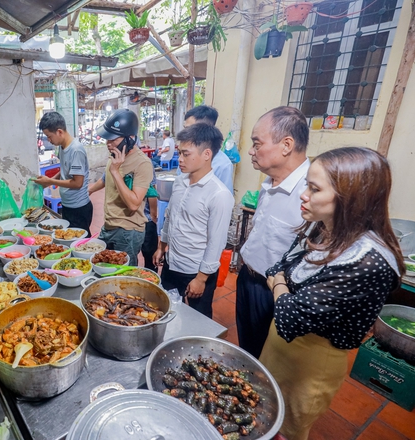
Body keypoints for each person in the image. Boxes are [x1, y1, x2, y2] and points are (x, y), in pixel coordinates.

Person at [260, 147, 403, 440]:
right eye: (306, 186)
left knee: (287, 428)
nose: (304, 195)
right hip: (280, 349)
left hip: (312, 363)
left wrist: (279, 285)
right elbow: (276, 268)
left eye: (314, 188)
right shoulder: (324, 229)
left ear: (351, 198)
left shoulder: (368, 261)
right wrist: (281, 286)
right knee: (262, 413)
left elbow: (288, 316)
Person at [236, 106, 310, 358]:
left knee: (269, 359)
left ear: (286, 145)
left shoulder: (310, 192)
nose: (251, 151)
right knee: (247, 348)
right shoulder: (270, 181)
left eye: (257, 143)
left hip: (276, 293)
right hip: (248, 278)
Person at [153, 123, 234, 318]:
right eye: (179, 153)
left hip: (195, 271)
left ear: (207, 154)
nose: (179, 159)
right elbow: (170, 217)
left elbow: (216, 242)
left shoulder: (219, 194)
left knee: (198, 319)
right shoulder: (181, 181)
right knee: (165, 311)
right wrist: (162, 246)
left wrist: (201, 278)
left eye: (186, 154)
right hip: (172, 263)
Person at [88, 109, 154, 266]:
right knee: (101, 266)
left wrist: (116, 172)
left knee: (123, 276)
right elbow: (106, 178)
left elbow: (134, 203)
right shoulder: (116, 156)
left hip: (128, 231)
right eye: (106, 139)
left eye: (113, 140)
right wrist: (89, 190)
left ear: (130, 138)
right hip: (109, 225)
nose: (108, 144)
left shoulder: (142, 163)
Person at [34, 112, 92, 235]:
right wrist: (48, 181)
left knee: (80, 242)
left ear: (59, 132)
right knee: (67, 237)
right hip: (67, 204)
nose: (48, 140)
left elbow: (77, 183)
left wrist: (50, 181)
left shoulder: (76, 150)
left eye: (49, 136)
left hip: (79, 207)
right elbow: (64, 169)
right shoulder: (62, 146)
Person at [184, 105, 233, 193]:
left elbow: (224, 198)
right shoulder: (184, 156)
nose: (185, 134)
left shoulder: (222, 165)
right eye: (185, 129)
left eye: (190, 130)